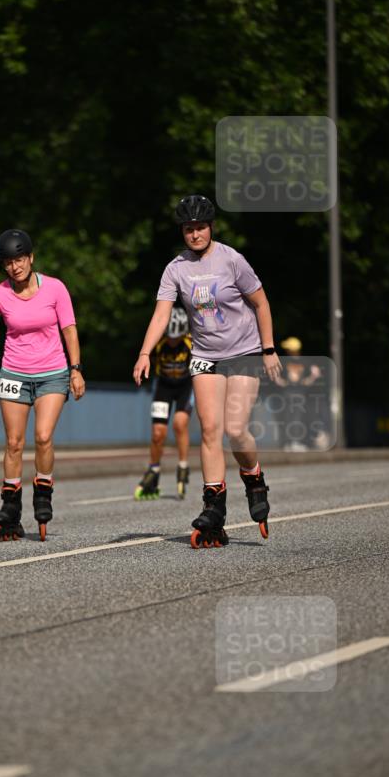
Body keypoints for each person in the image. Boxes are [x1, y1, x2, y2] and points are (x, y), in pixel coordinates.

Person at [133, 195, 283, 548]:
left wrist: (269, 348)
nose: (195, 234)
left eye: (200, 227)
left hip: (244, 351)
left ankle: (254, 477)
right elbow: (161, 315)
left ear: (210, 227)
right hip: (204, 355)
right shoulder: (175, 269)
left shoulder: (232, 259)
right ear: (183, 231)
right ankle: (214, 508)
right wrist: (144, 353)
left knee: (235, 429)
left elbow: (260, 303)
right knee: (210, 430)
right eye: (189, 229)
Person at [0, 229, 85, 541]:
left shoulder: (55, 289)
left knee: (42, 437)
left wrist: (76, 370)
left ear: (31, 258)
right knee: (13, 442)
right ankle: (11, 508)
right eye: (9, 262)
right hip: (13, 374)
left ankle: (43, 493)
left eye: (20, 259)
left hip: (53, 372)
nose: (15, 267)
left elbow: (70, 330)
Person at [134, 303, 194, 500]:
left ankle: (183, 466)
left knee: (179, 423)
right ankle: (154, 469)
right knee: (158, 433)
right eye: (170, 337)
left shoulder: (191, 343)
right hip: (164, 387)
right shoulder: (159, 343)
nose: (173, 341)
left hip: (186, 386)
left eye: (177, 338)